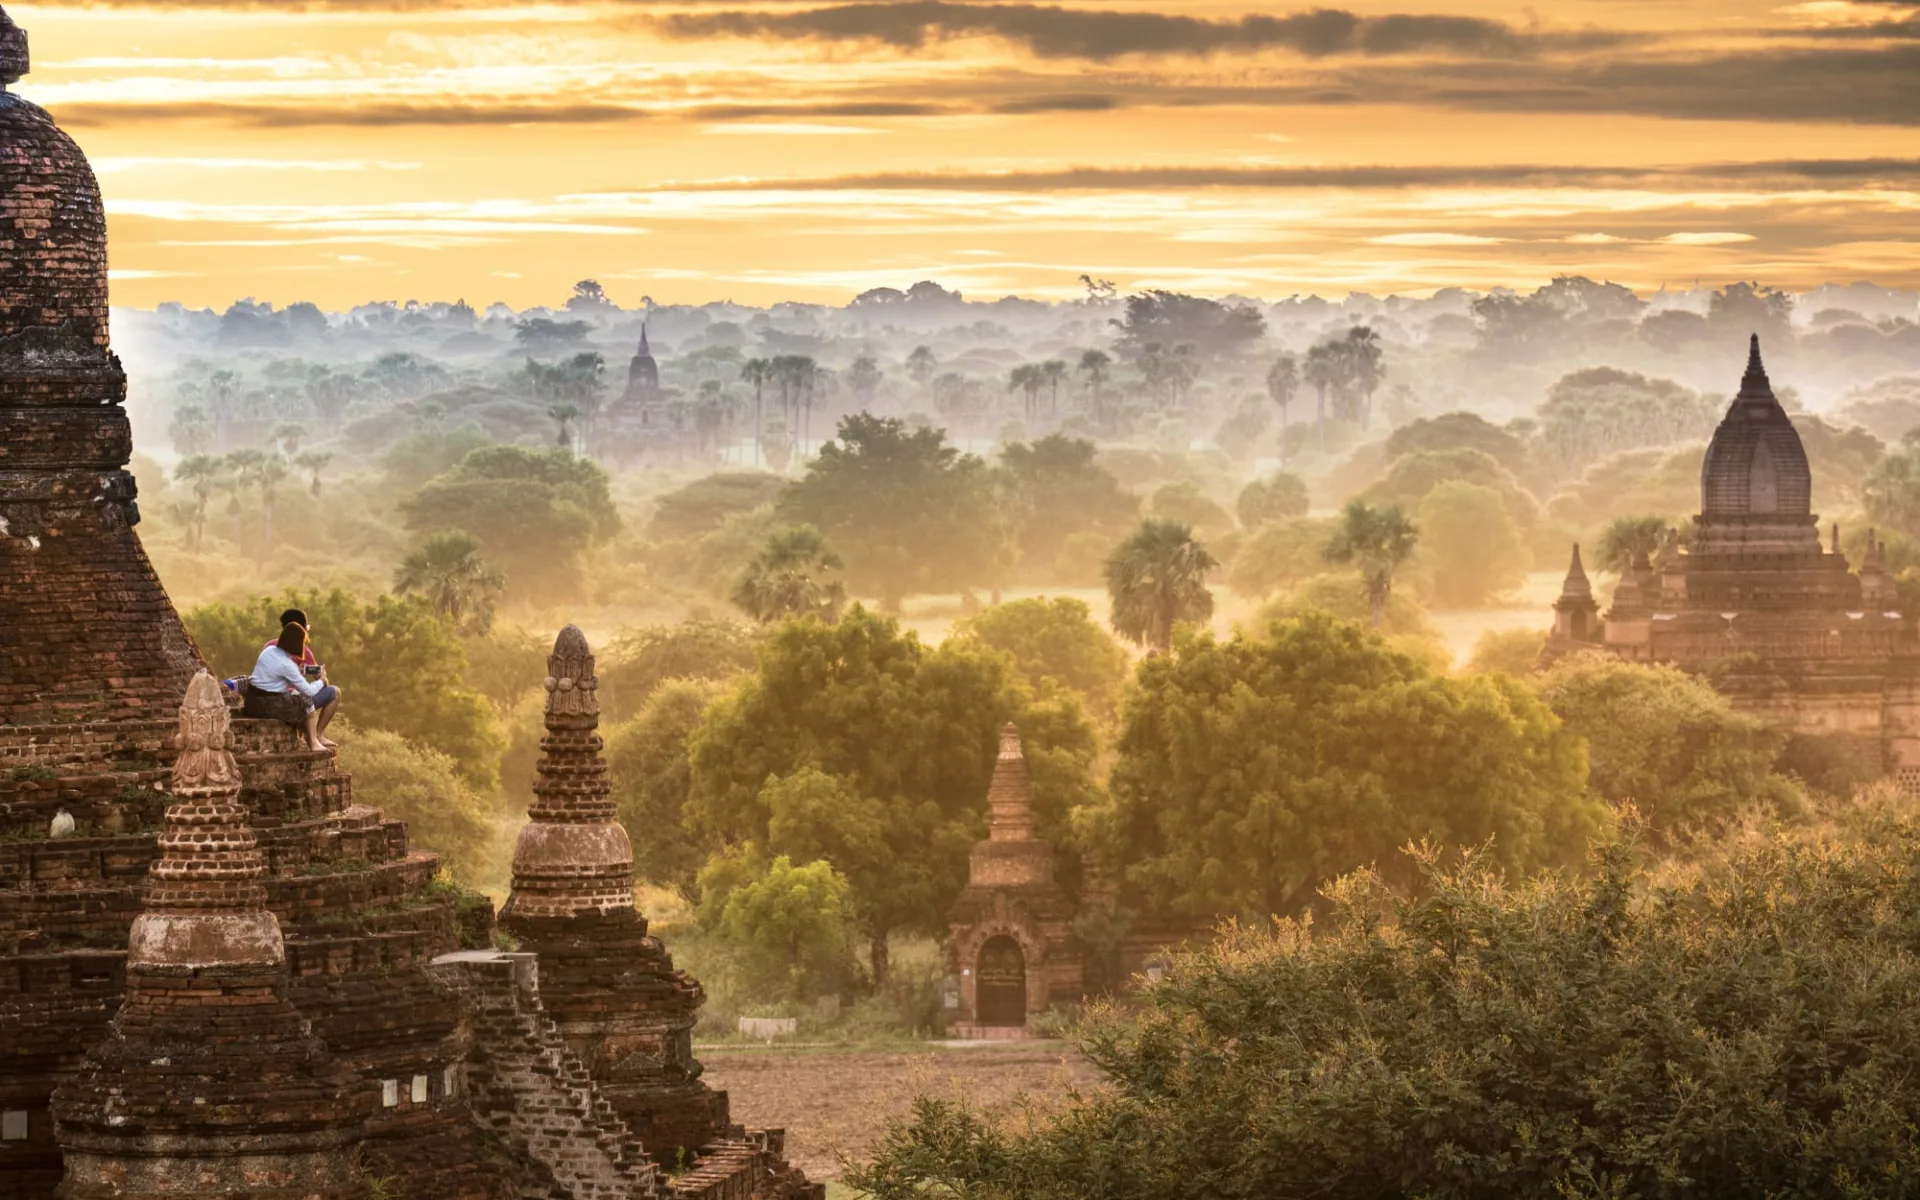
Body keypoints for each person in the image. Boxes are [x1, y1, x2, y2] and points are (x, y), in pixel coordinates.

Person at [245, 622, 341, 752]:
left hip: (252, 701)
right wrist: (322, 681)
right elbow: (308, 690)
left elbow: (274, 672)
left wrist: (297, 671)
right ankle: (313, 742)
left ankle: (311, 738)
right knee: (306, 701)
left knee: (295, 698)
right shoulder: (287, 665)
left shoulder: (268, 651)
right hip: (268, 705)